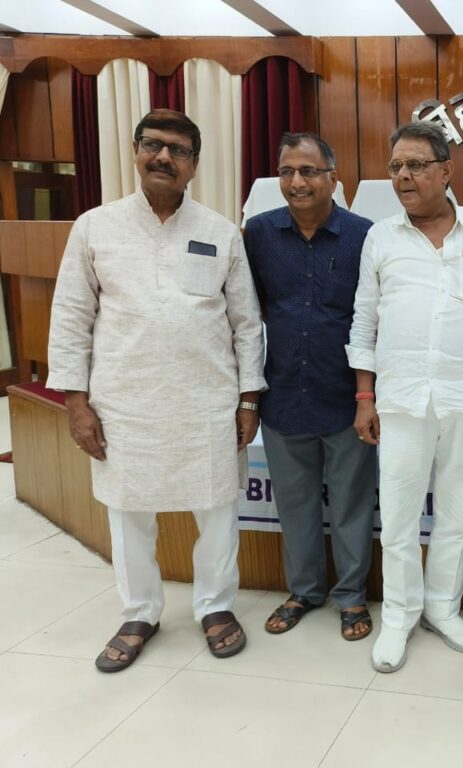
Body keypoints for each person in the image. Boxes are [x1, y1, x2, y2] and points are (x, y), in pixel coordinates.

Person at [47, 109, 266, 672]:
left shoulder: (220, 232)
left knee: (218, 512)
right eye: (154, 145)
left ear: (195, 164)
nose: (164, 157)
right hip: (124, 403)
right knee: (127, 513)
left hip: (208, 404)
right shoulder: (96, 226)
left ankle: (215, 607)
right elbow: (71, 316)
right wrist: (76, 401)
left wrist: (248, 398)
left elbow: (246, 323)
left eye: (178, 150)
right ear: (136, 151)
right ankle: (140, 611)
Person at [345, 121, 463, 673]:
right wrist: (365, 396)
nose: (404, 176)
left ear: (447, 170)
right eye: (396, 167)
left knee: (458, 517)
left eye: (416, 165)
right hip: (401, 400)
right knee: (402, 519)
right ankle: (399, 617)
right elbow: (364, 320)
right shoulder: (381, 237)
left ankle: (443, 608)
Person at [243, 133, 376, 640]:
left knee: (351, 506)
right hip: (283, 395)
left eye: (309, 171)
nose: (296, 182)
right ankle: (303, 590)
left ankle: (351, 597)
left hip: (346, 398)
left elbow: (374, 319)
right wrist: (250, 395)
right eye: (287, 172)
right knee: (294, 505)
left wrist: (368, 394)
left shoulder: (365, 235)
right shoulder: (257, 234)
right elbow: (244, 314)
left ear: (332, 178)